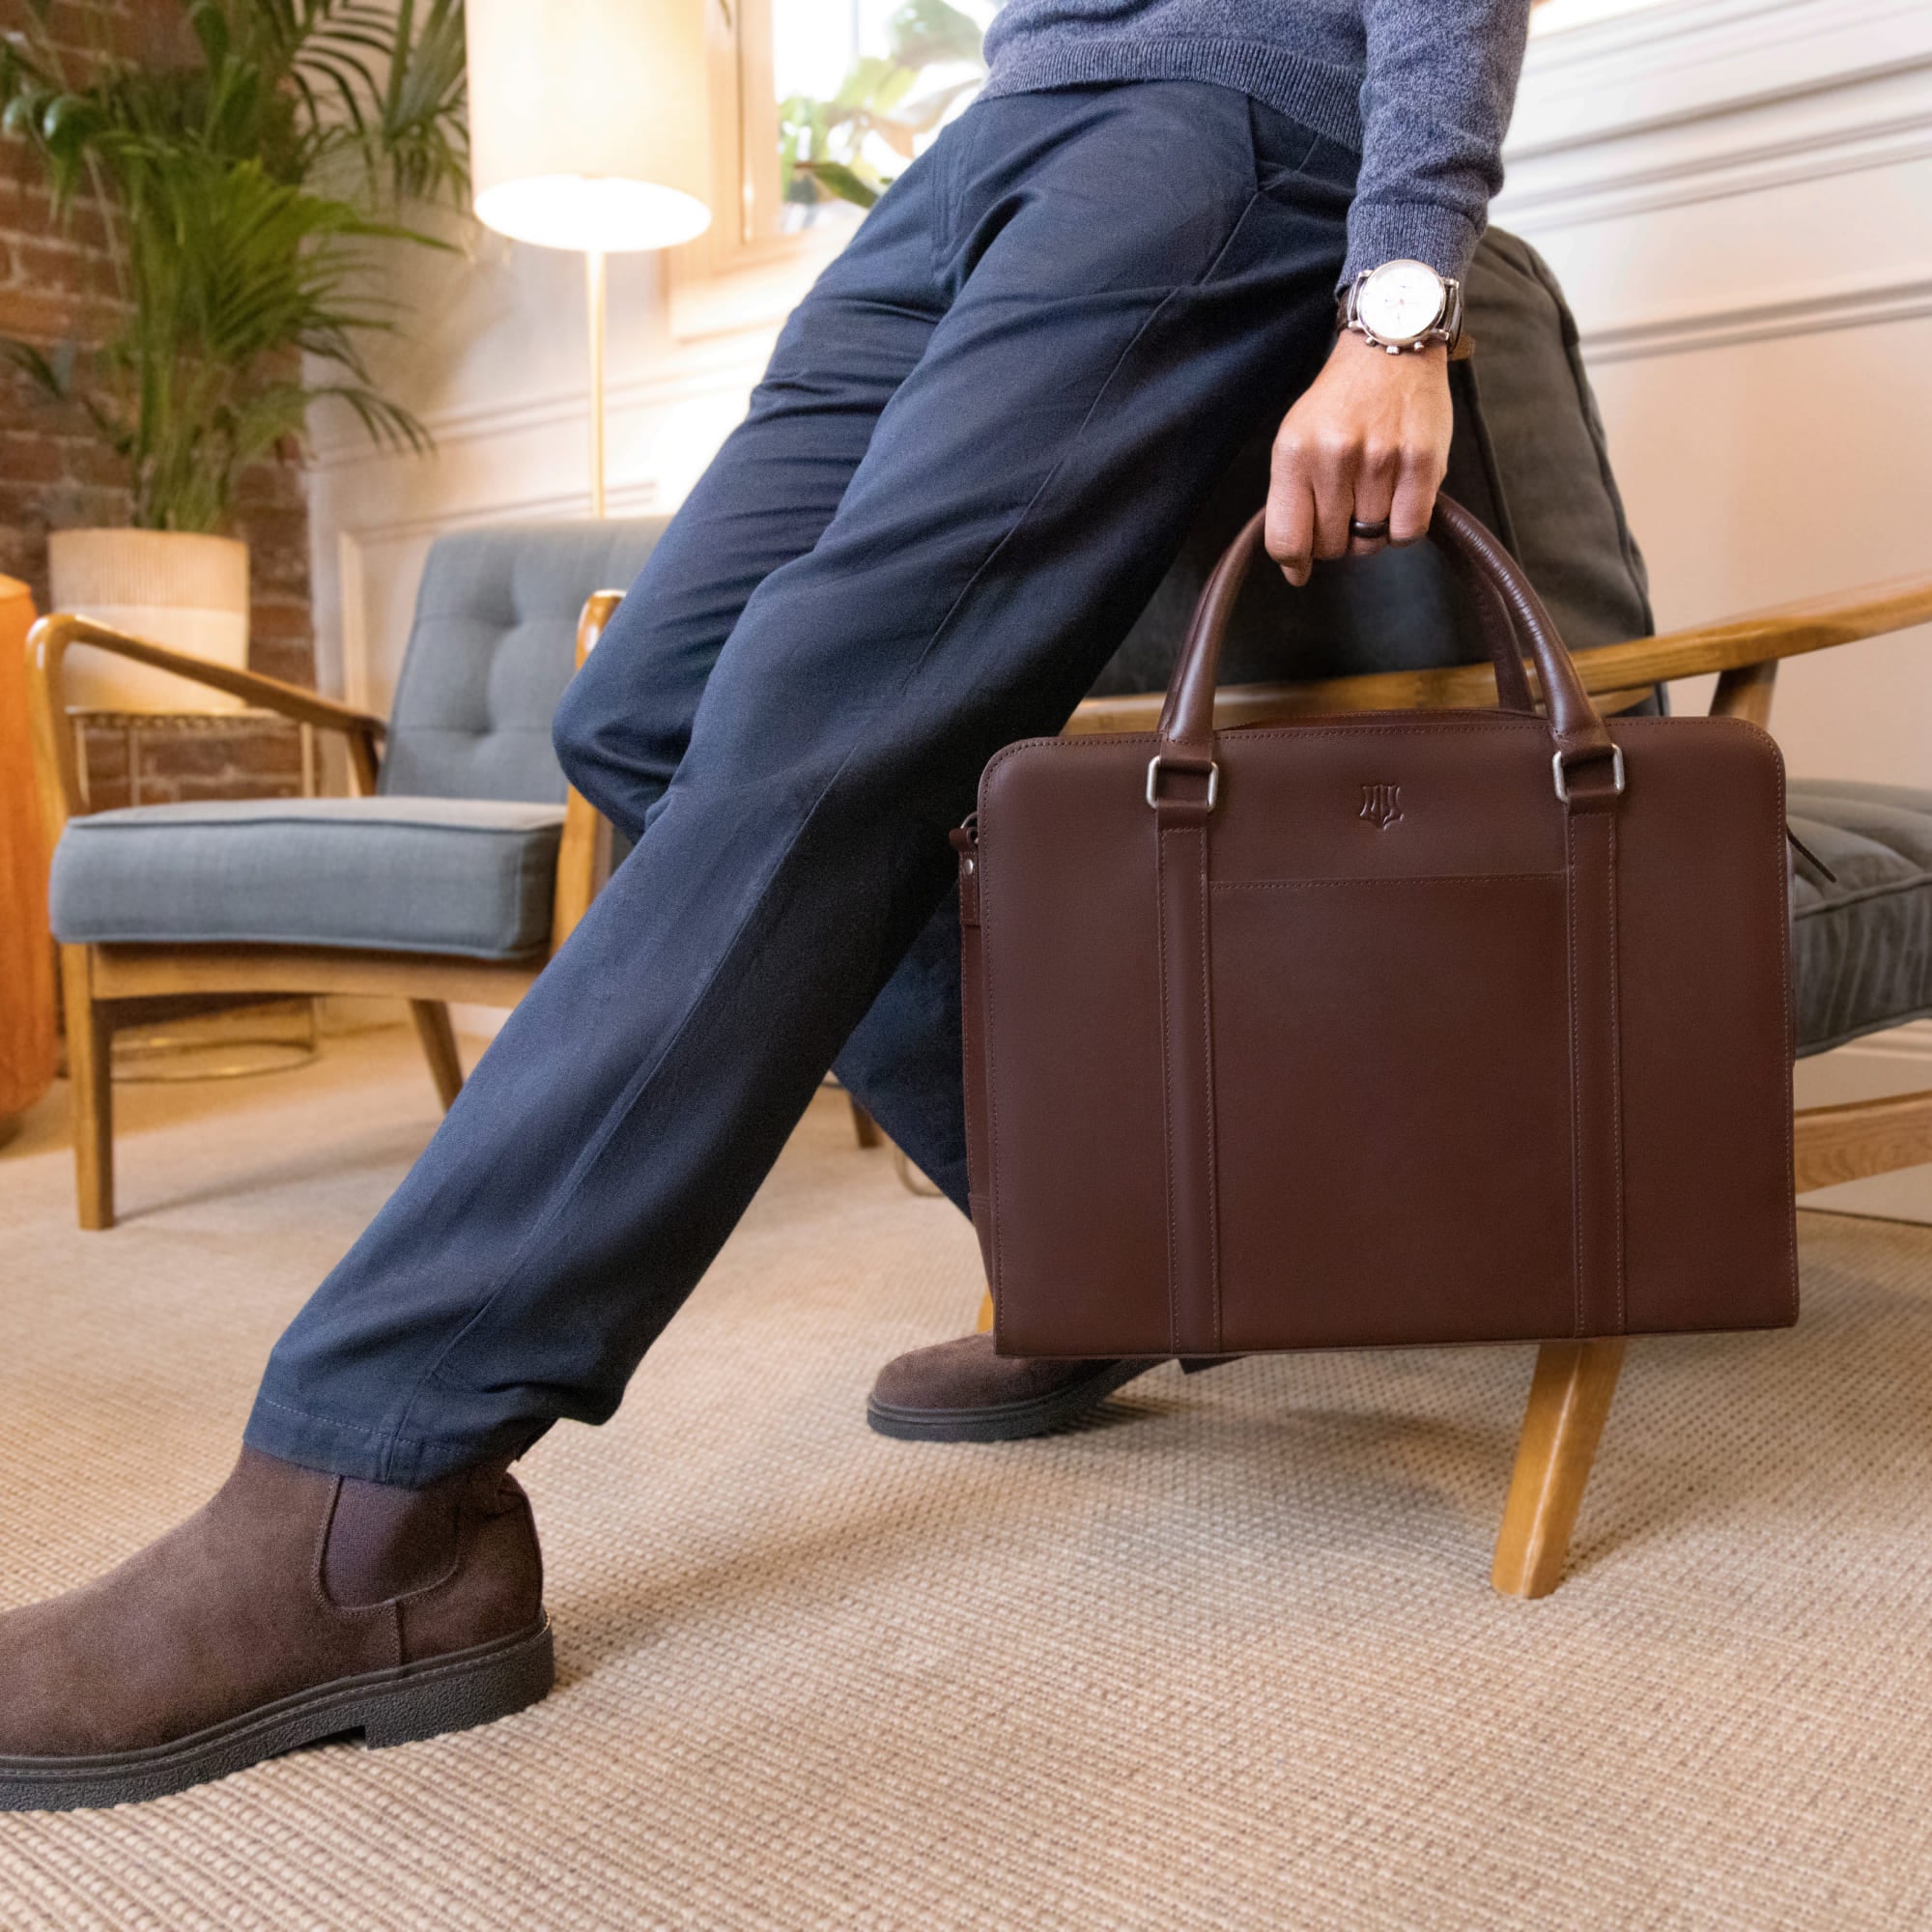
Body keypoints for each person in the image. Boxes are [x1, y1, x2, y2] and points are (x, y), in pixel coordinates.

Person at [0, 0, 1532, 1811]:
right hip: (993, 142)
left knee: (818, 715)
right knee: (641, 709)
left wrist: (1399, 296)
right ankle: (1108, 1247)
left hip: (1226, 126)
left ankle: (367, 1500)